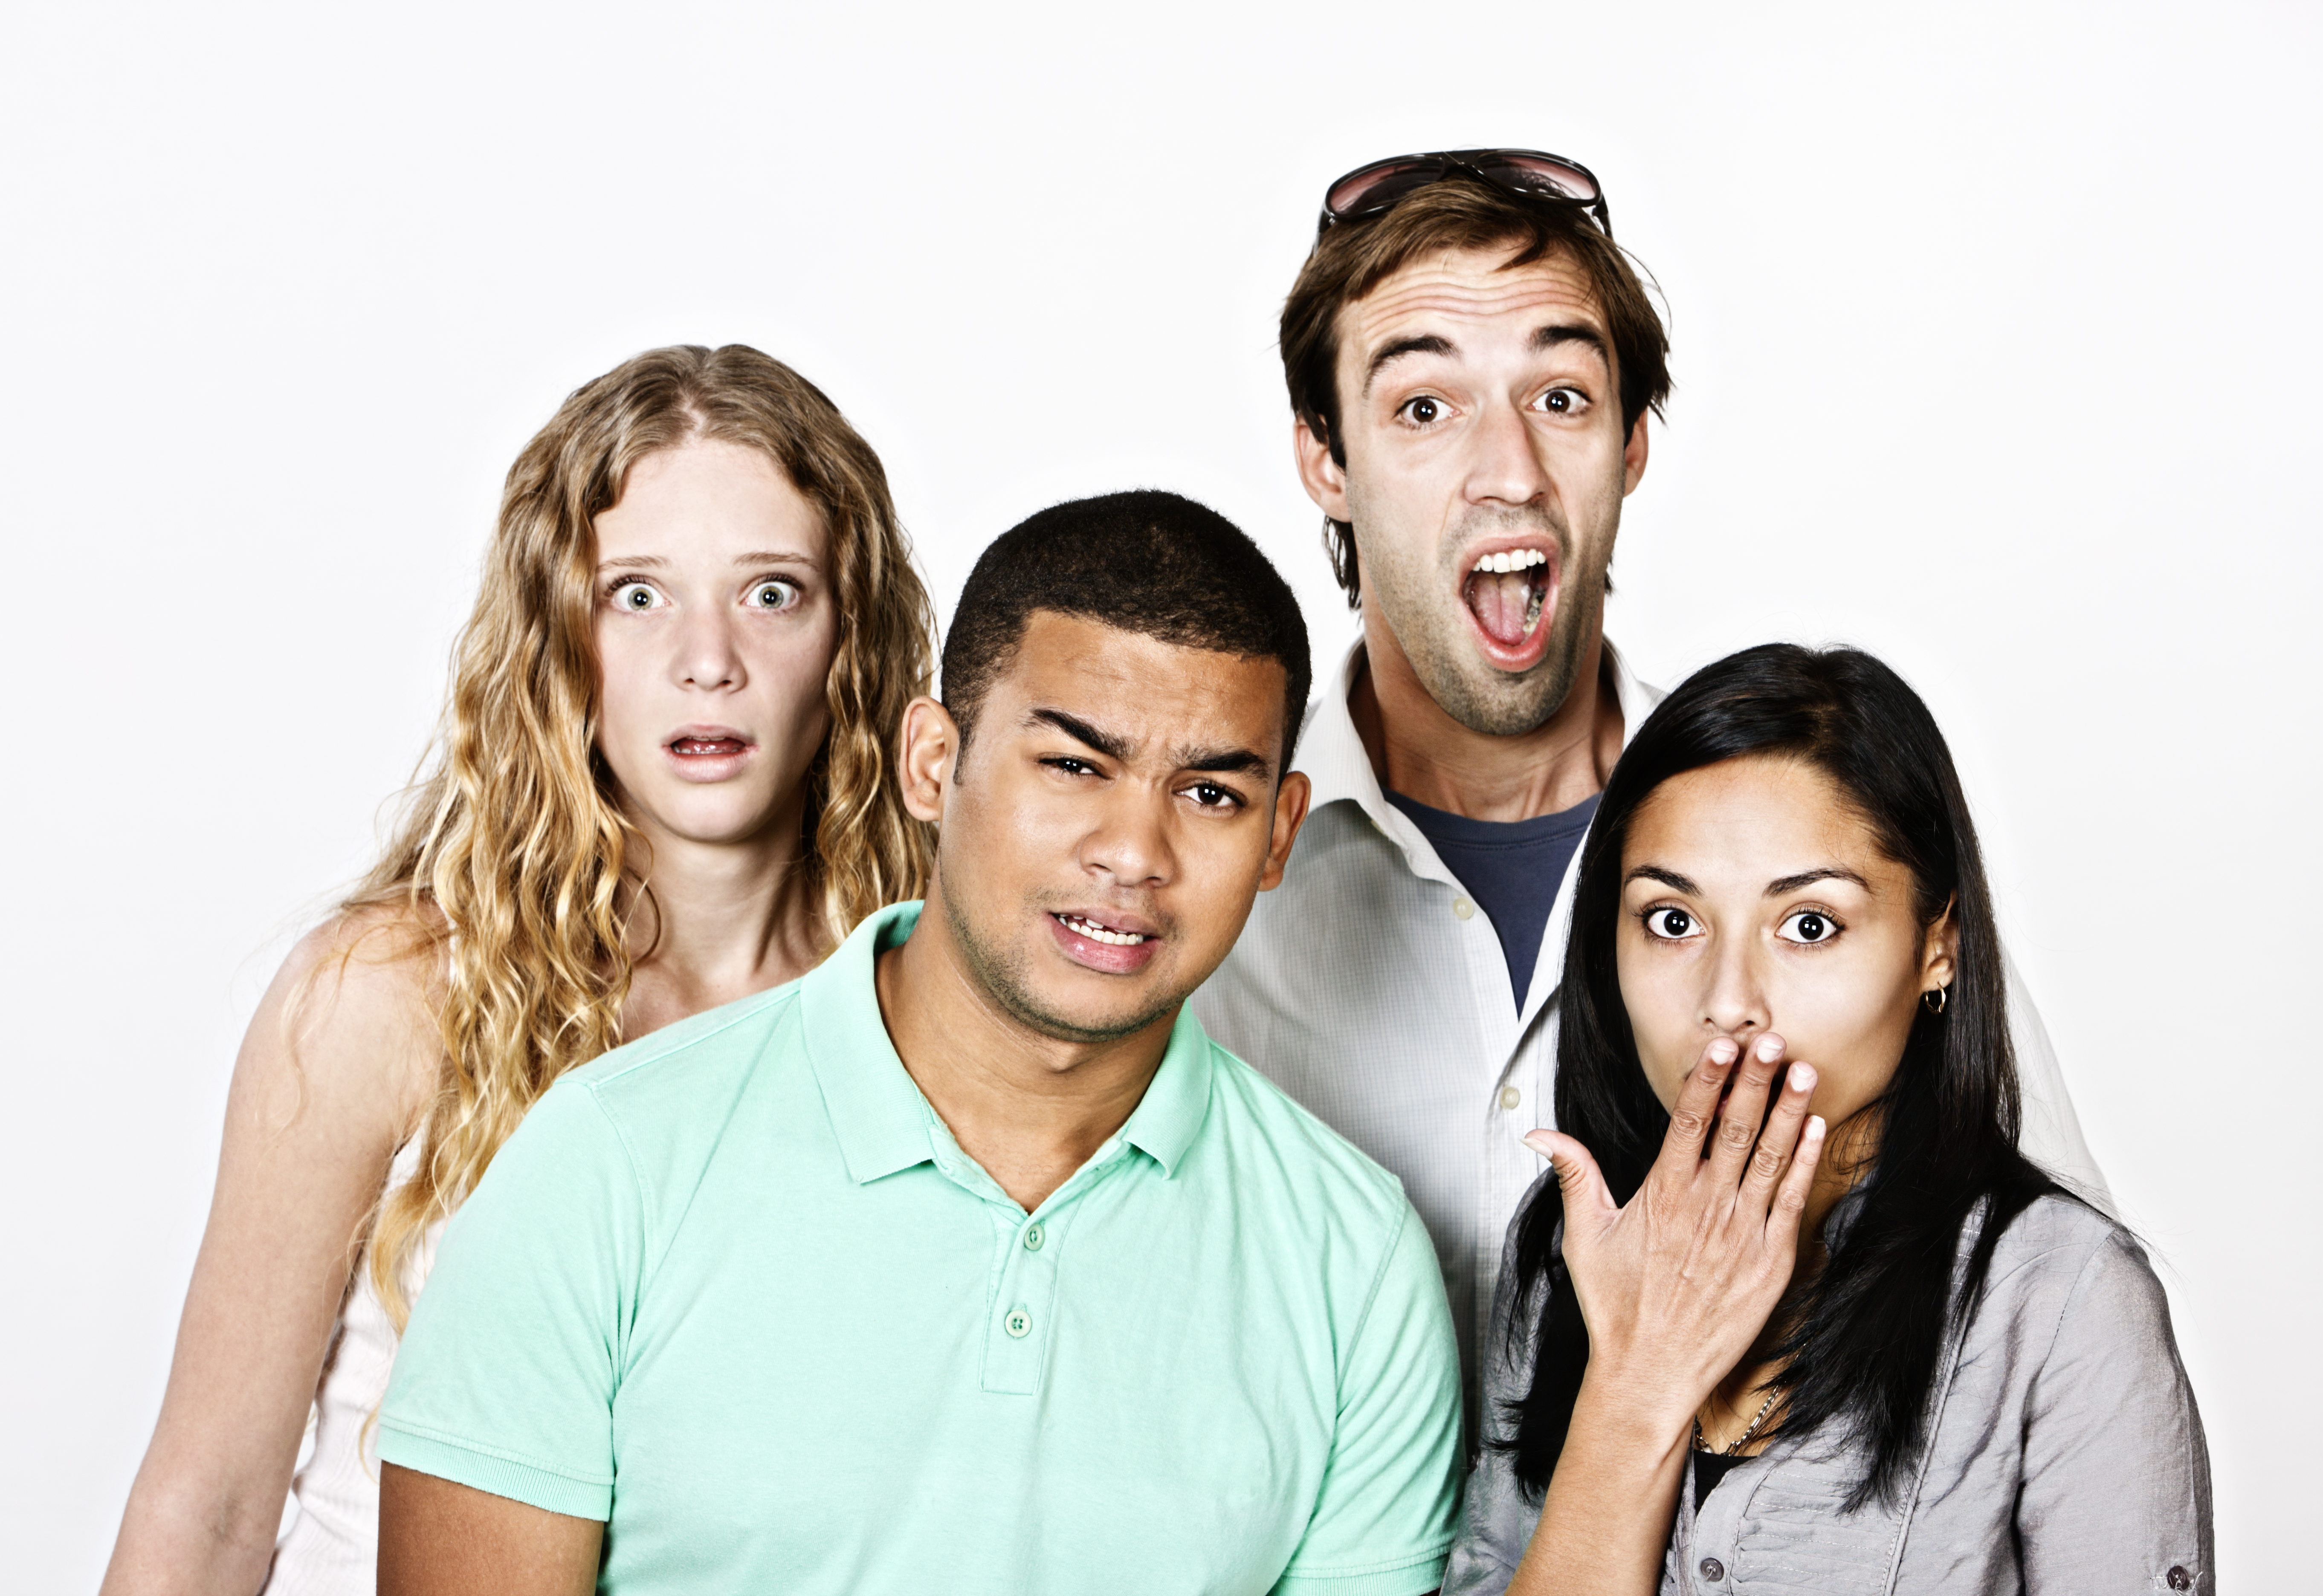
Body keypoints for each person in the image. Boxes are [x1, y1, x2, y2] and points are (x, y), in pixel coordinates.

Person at [370, 491, 1464, 1595]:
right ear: (934, 763)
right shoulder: (605, 1164)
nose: (1134, 853)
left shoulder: (1354, 1267)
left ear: (1279, 834)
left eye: (1211, 793)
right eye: (1074, 767)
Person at [1192, 150, 2111, 1424]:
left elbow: (2049, 1309)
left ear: (1628, 446)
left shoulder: (1820, 841)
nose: (1507, 471)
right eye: (1423, 409)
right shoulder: (1192, 880)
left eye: (1560, 397)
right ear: (1324, 460)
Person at [100, 344, 937, 1596]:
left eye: (771, 593)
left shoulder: (925, 1008)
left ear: (851, 644)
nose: (707, 659)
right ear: (560, 638)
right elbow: (209, 1504)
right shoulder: (384, 997)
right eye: (637, 596)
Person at [1444, 643, 2211, 1594]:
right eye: (1672, 922)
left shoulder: (2063, 1301)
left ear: (1940, 947)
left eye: (1809, 925)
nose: (1729, 1002)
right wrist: (1634, 1390)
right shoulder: (1571, 1249)